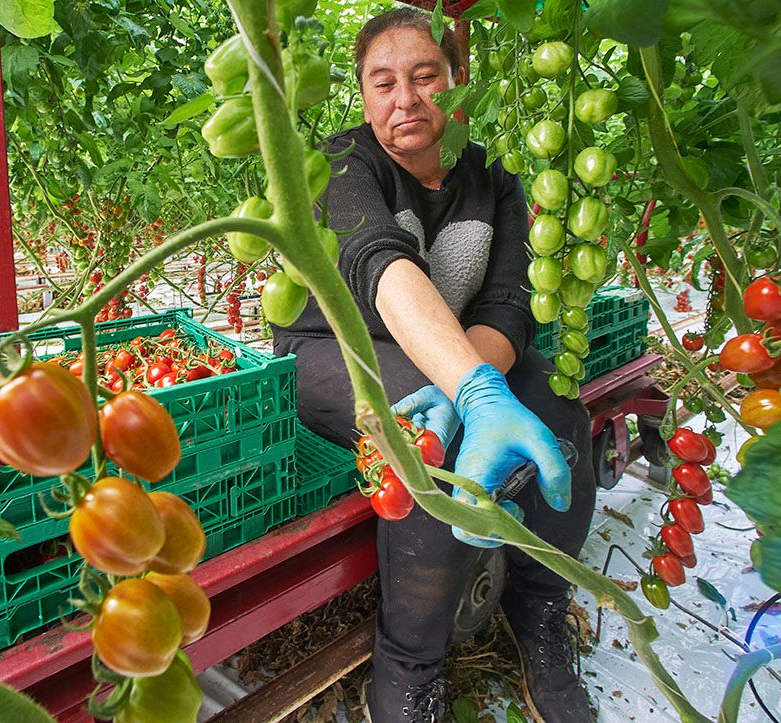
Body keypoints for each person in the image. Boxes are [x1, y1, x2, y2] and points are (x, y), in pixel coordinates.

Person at [271, 8, 597, 722]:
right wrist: (471, 390)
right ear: (362, 97)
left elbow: (510, 302)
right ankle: (409, 666)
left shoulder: (495, 174)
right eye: (382, 83)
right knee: (428, 446)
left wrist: (468, 385)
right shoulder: (343, 164)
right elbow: (377, 261)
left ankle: (539, 609)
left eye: (425, 77)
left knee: (561, 402)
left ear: (457, 81)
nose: (404, 100)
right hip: (335, 349)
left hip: (452, 346)